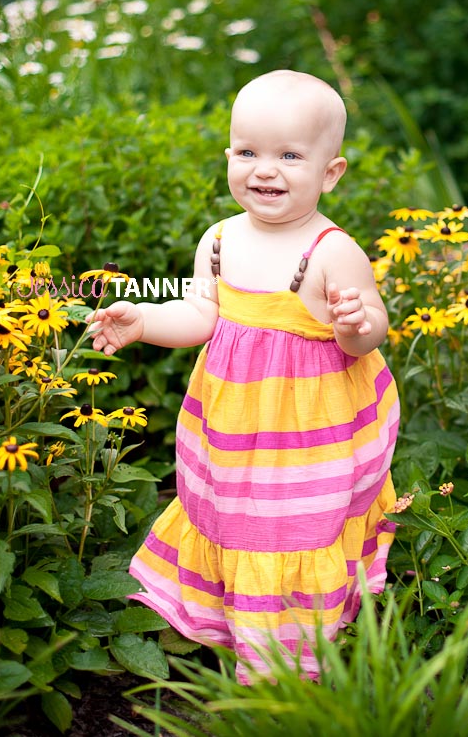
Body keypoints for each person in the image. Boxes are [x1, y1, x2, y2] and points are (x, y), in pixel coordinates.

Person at [88, 69, 400, 683]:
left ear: (330, 173)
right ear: (229, 156)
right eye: (249, 152)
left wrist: (355, 322)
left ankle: (289, 657)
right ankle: (234, 619)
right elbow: (202, 314)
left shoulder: (332, 250)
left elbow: (370, 334)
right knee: (233, 515)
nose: (265, 169)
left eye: (289, 155)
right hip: (231, 423)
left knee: (294, 525)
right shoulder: (220, 239)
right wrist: (145, 319)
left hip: (310, 430)